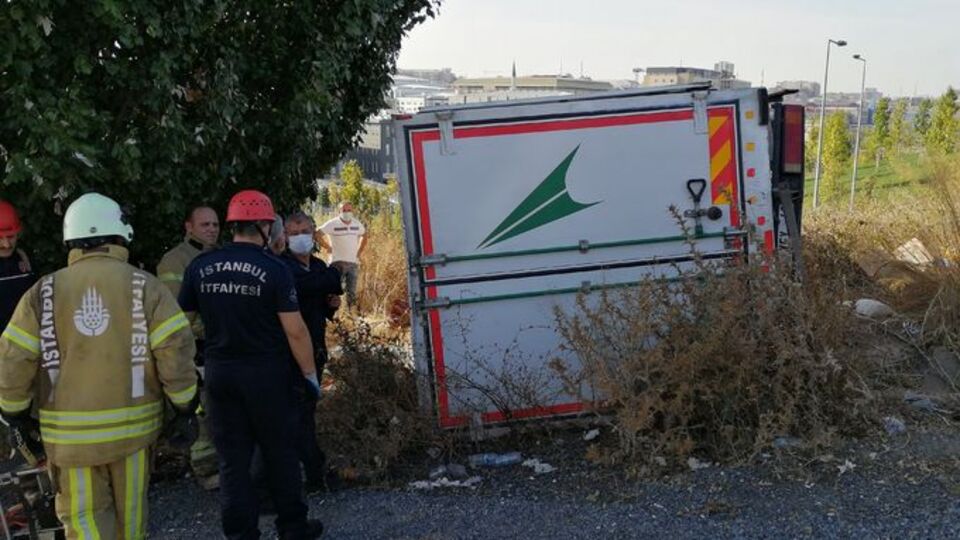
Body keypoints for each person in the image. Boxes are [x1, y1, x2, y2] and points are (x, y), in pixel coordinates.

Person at [0, 192, 198, 539]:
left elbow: (14, 359)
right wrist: (185, 406)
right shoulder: (145, 286)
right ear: (121, 236)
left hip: (70, 441)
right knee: (131, 519)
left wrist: (14, 414)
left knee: (86, 520)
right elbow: (175, 351)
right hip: (134, 434)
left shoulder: (43, 291)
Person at [179, 190, 323, 539]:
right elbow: (296, 331)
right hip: (267, 376)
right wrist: (309, 376)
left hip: (220, 374)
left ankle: (241, 534)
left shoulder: (200, 267)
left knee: (232, 462)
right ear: (262, 225)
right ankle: (293, 528)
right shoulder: (273, 268)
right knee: (280, 455)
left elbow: (182, 322)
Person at [157, 205, 221, 489]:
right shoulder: (174, 261)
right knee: (201, 409)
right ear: (189, 227)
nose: (211, 229)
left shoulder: (220, 255)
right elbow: (175, 311)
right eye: (205, 224)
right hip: (193, 346)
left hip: (219, 344)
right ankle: (206, 470)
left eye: (215, 224)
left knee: (218, 405)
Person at [282, 211, 342, 490]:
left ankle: (310, 471)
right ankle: (311, 473)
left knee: (307, 412)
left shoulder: (316, 266)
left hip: (316, 349)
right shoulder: (282, 268)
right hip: (290, 354)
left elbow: (328, 290)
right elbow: (323, 282)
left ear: (314, 233)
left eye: (304, 232)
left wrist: (331, 304)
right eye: (293, 234)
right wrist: (331, 278)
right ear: (284, 236)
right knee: (297, 415)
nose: (300, 239)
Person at [318, 202, 365, 310]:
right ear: (339, 212)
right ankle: (335, 316)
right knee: (334, 291)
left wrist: (359, 251)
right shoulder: (332, 224)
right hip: (336, 263)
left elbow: (364, 235)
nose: (347, 213)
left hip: (352, 263)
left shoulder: (356, 224)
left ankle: (350, 314)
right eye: (344, 210)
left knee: (351, 292)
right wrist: (327, 247)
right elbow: (317, 234)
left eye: (349, 210)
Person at [0, 200, 37, 333]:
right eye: (0, 238)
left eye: (10, 237)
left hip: (23, 348)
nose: (6, 244)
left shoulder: (25, 261)